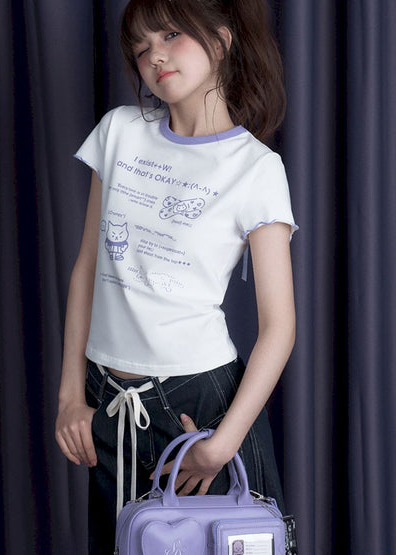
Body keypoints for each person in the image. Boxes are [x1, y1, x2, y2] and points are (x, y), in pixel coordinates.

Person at [55, 0, 298, 553]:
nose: (155, 57)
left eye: (169, 35)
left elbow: (279, 327)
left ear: (222, 40)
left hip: (201, 410)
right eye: (141, 48)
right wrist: (70, 396)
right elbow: (88, 267)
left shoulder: (256, 168)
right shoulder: (120, 131)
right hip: (108, 401)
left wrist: (222, 445)